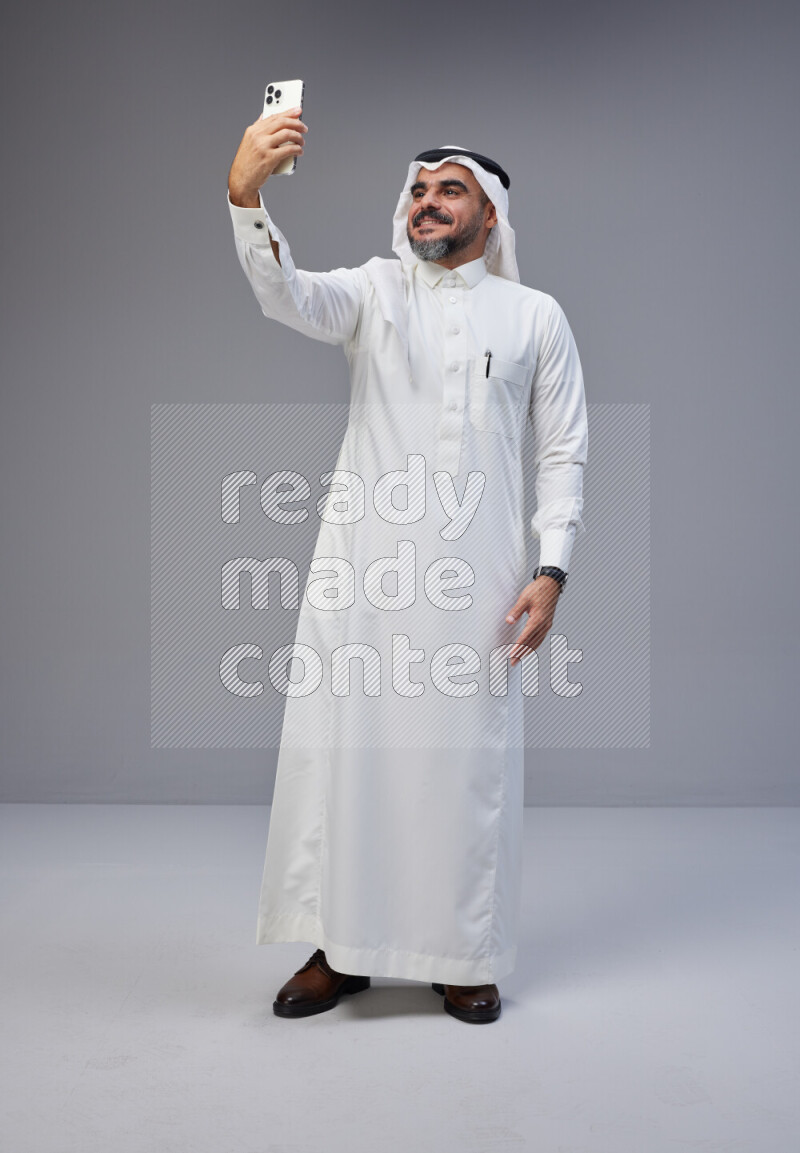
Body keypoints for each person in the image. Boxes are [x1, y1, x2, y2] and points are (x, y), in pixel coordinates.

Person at [226, 106, 588, 1024]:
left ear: (490, 214)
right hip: (367, 576)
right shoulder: (376, 292)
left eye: (449, 191)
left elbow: (562, 451)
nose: (427, 202)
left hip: (480, 585)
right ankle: (340, 950)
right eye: (418, 190)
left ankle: (462, 954)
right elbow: (289, 296)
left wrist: (552, 571)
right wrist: (246, 199)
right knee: (352, 760)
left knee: (462, 771)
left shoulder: (535, 317)